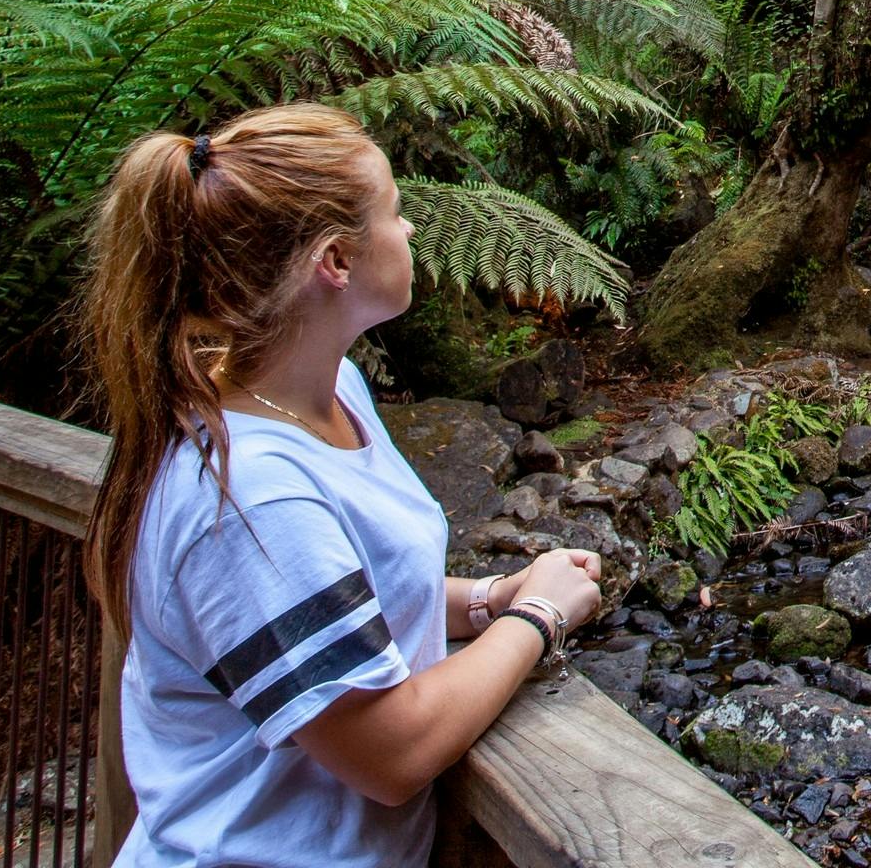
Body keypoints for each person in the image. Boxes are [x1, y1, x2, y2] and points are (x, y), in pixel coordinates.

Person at [82, 102, 603, 868]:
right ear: (335, 261)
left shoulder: (335, 394)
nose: (412, 233)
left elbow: (350, 601)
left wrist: (490, 597)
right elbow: (388, 753)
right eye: (395, 213)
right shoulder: (251, 496)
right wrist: (537, 618)